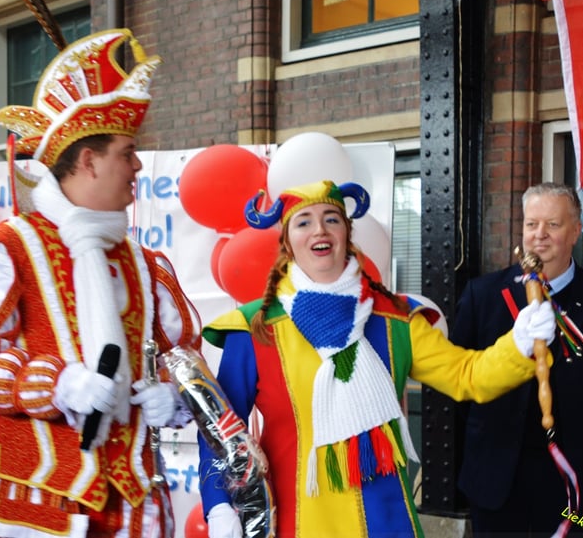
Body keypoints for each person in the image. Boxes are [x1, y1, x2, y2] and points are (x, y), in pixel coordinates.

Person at [0, 29, 202, 537]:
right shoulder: (11, 248)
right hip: (39, 509)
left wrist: (177, 393)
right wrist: (56, 384)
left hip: (136, 508)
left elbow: (185, 355)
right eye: (127, 151)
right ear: (88, 160)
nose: (137, 164)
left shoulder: (146, 264)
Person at [197, 179, 557, 538]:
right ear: (287, 242)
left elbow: (468, 377)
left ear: (347, 233)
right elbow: (220, 428)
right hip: (297, 522)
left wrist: (519, 344)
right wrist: (218, 504)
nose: (320, 230)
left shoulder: (396, 319)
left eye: (331, 219)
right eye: (304, 222)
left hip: (388, 522)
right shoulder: (255, 329)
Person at [452, 182, 583, 536]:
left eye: (553, 224)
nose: (540, 235)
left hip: (574, 485)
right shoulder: (482, 295)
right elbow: (459, 382)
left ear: (576, 230)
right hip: (496, 483)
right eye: (532, 224)